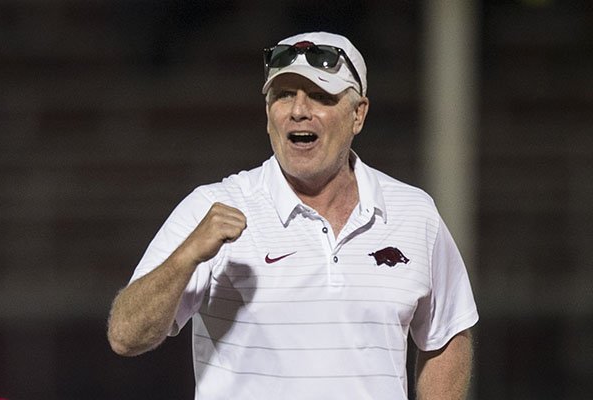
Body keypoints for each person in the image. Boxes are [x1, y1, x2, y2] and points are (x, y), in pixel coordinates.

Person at [107, 31, 479, 399]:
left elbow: (446, 335)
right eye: (283, 95)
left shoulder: (413, 212)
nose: (299, 110)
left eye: (320, 96)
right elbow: (126, 336)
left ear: (358, 114)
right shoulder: (214, 206)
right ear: (269, 114)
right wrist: (186, 258)